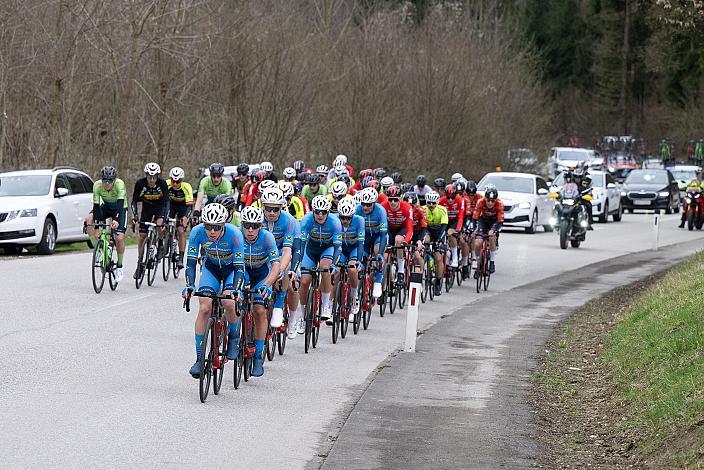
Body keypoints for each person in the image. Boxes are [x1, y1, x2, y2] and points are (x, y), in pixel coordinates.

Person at [181, 203, 245, 378]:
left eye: (217, 227)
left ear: (223, 225)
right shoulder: (197, 232)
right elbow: (191, 264)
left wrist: (237, 290)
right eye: (208, 227)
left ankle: (233, 337)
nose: (212, 232)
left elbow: (240, 268)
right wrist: (189, 285)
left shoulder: (235, 235)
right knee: (204, 308)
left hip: (232, 270)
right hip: (211, 269)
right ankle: (199, 358)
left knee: (228, 302)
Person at [239, 206, 281, 377]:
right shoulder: (236, 236)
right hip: (243, 272)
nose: (250, 230)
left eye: (255, 226)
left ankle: (258, 355)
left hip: (261, 275)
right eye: (247, 225)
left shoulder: (267, 238)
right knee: (231, 301)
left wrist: (267, 284)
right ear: (241, 224)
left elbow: (276, 265)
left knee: (259, 310)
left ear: (260, 226)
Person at [292, 195, 342, 324]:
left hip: (328, 248)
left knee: (325, 268)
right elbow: (301, 246)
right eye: (317, 212)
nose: (320, 215)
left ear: (328, 212)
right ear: (313, 211)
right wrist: (297, 265)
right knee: (304, 281)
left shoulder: (335, 222)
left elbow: (337, 247)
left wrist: (334, 265)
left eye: (323, 212)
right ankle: (303, 316)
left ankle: (325, 305)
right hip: (311, 249)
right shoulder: (306, 220)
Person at [260, 188, 301, 339]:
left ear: (281, 208)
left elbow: (289, 251)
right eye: (268, 208)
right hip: (263, 254)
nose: (271, 212)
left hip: (284, 253)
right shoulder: (256, 219)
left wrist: (282, 270)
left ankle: (289, 316)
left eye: (275, 209)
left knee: (292, 283)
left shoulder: (289, 221)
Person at [85, 166, 128, 282]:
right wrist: (97, 227)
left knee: (119, 238)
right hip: (106, 207)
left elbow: (120, 204)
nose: (107, 184)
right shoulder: (97, 185)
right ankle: (98, 250)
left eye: (109, 181)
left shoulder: (120, 184)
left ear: (114, 180)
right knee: (89, 219)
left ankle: (119, 266)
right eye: (105, 181)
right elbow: (96, 206)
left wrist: (117, 219)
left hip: (120, 209)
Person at [131, 162, 170, 279]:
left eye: (154, 177)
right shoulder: (140, 184)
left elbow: (167, 202)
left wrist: (165, 220)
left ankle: (161, 244)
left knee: (159, 225)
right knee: (142, 235)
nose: (152, 180)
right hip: (147, 209)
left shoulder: (162, 184)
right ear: (145, 175)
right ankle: (140, 264)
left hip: (159, 208)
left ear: (158, 176)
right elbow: (134, 201)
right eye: (149, 177)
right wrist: (135, 216)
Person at [355, 188, 388, 299]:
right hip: (365, 237)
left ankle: (378, 281)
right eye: (363, 204)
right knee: (360, 261)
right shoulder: (357, 210)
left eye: (369, 205)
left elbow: (383, 235)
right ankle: (356, 295)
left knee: (377, 251)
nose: (365, 207)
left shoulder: (381, 211)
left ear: (374, 203)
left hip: (378, 236)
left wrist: (380, 254)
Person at [336, 197, 365, 316]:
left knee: (353, 269)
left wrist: (358, 261)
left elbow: (360, 243)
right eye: (342, 217)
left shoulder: (359, 220)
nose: (345, 220)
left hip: (354, 249)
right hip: (341, 249)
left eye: (348, 218)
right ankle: (335, 304)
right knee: (336, 271)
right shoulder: (334, 220)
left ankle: (354, 296)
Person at [381, 185, 414, 284]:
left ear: (400, 199)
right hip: (389, 229)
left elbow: (410, 229)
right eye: (390, 200)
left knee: (398, 240)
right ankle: (383, 275)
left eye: (395, 200)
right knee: (385, 251)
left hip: (402, 229)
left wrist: (405, 241)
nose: (392, 203)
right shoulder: (383, 206)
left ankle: (400, 271)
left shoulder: (407, 207)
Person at [472, 187, 504, 276]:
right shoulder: (480, 202)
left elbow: (500, 221)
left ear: (496, 200)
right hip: (483, 221)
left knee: (492, 237)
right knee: (478, 243)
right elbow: (475, 217)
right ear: (485, 199)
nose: (490, 203)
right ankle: (478, 262)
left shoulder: (500, 204)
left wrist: (493, 230)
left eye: (493, 201)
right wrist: (474, 229)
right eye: (488, 200)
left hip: (494, 222)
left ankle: (492, 262)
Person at [166, 167, 193, 269]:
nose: (175, 184)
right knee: (164, 224)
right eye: (173, 181)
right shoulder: (166, 184)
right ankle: (165, 242)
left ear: (181, 180)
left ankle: (181, 257)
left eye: (178, 181)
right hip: (171, 205)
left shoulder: (186, 187)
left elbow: (190, 205)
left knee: (181, 231)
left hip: (183, 207)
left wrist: (186, 217)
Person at [423, 191, 448, 296]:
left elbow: (444, 227)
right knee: (426, 240)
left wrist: (440, 240)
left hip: (439, 233)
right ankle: (427, 259)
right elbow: (422, 226)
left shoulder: (442, 210)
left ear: (437, 202)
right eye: (429, 203)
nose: (431, 205)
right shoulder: (423, 209)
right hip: (428, 231)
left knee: (439, 258)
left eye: (434, 203)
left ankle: (438, 282)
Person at [439, 183, 465, 269]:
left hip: (455, 220)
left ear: (456, 195)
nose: (450, 200)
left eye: (452, 197)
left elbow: (461, 217)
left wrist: (457, 230)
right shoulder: (442, 200)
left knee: (451, 234)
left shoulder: (460, 200)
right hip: (445, 220)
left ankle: (455, 258)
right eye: (448, 197)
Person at [404, 192, 427, 272]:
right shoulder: (402, 209)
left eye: (412, 205)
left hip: (418, 233)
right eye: (408, 205)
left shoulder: (420, 210)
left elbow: (424, 226)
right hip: (407, 232)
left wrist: (420, 240)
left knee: (417, 254)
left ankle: (421, 272)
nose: (410, 208)